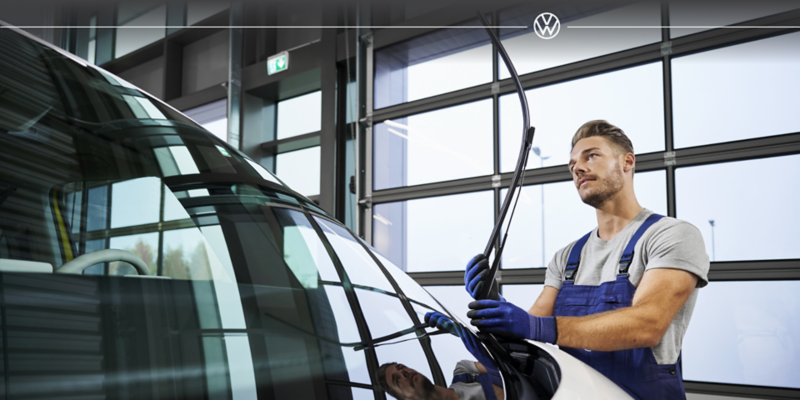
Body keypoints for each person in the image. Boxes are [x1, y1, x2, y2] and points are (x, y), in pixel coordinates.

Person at [464, 120, 710, 400]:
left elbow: (647, 324)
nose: (578, 168)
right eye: (572, 165)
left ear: (627, 162)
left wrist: (536, 326)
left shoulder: (671, 235)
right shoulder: (567, 257)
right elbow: (531, 332)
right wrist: (493, 308)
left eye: (591, 156)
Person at [374, 312, 504, 400]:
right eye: (397, 380)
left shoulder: (463, 371)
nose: (404, 373)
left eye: (401, 367)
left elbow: (503, 365)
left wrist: (466, 336)